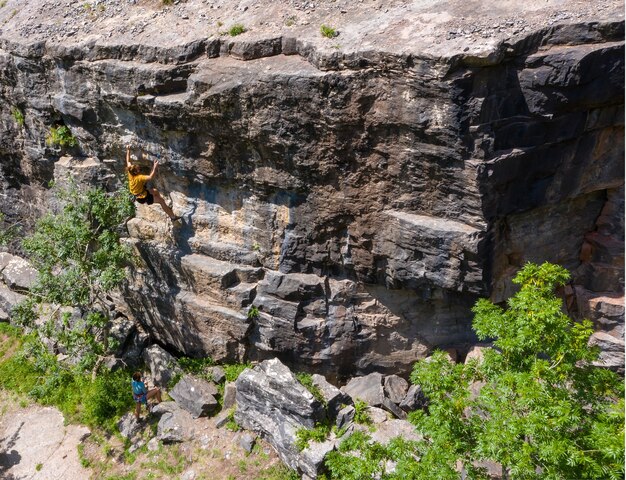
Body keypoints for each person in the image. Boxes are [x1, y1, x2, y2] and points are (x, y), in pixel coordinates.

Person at [126, 145, 180, 222]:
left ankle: (159, 200)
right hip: (143, 198)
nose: (140, 169)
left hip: (140, 193)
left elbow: (128, 161)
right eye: (138, 169)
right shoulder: (139, 177)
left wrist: (128, 149)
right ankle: (173, 217)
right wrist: (155, 167)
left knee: (154, 191)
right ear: (135, 172)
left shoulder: (130, 172)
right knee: (161, 201)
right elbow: (151, 177)